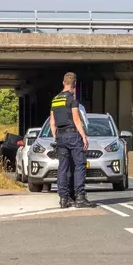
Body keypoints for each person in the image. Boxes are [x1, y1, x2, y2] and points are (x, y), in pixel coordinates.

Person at [50, 72, 95, 209]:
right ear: (74, 85)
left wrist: (55, 136)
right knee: (79, 165)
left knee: (63, 167)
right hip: (73, 136)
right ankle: (80, 197)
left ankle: (64, 199)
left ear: (63, 83)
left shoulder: (55, 100)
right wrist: (84, 136)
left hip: (61, 136)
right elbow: (76, 119)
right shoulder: (72, 99)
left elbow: (52, 122)